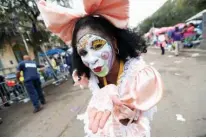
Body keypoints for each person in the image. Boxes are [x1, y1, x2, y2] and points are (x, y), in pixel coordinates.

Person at [38, 0, 163, 136]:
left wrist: (124, 111)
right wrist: (102, 95)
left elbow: (133, 122)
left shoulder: (140, 74)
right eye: (83, 53)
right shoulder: (90, 75)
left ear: (114, 43)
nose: (91, 59)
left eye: (97, 45)